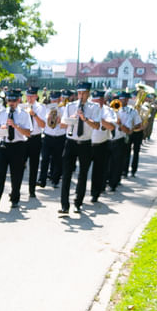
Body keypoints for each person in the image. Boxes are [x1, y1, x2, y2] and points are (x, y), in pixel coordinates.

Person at [0, 89, 32, 210]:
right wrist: (1, 129)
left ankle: (15, 198)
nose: (11, 103)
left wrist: (15, 126)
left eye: (13, 100)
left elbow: (28, 133)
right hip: (4, 146)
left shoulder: (24, 114)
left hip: (18, 146)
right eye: (9, 100)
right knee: (0, 174)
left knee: (16, 175)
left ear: (18, 100)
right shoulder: (1, 114)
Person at [59, 82, 99, 214]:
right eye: (79, 93)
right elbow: (62, 126)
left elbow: (97, 126)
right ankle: (64, 205)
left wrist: (85, 118)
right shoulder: (70, 106)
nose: (81, 96)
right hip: (70, 142)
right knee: (66, 174)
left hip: (85, 143)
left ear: (88, 93)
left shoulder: (94, 107)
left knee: (82, 175)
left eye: (84, 93)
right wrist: (70, 119)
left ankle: (78, 203)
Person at [89, 90, 117, 202]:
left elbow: (111, 126)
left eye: (99, 101)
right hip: (87, 142)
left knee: (98, 170)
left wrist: (99, 118)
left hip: (101, 143)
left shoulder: (107, 110)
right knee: (83, 169)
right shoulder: (88, 109)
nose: (96, 103)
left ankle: (95, 193)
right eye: (94, 101)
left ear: (103, 100)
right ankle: (79, 193)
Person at [38, 90, 67, 188]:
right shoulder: (47, 108)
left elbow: (67, 125)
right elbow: (43, 123)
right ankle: (42, 180)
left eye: (56, 99)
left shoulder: (64, 109)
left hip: (60, 137)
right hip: (48, 136)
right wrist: (49, 118)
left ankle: (55, 180)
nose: (54, 101)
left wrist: (60, 121)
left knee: (58, 159)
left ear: (60, 99)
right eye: (52, 99)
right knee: (45, 159)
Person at [22, 86, 46, 198]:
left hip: (35, 138)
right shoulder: (21, 107)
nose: (29, 98)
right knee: (19, 164)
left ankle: (32, 189)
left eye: (32, 96)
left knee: (34, 165)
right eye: (28, 96)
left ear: (36, 96)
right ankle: (16, 189)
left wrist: (34, 115)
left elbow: (43, 125)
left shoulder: (41, 108)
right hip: (23, 138)